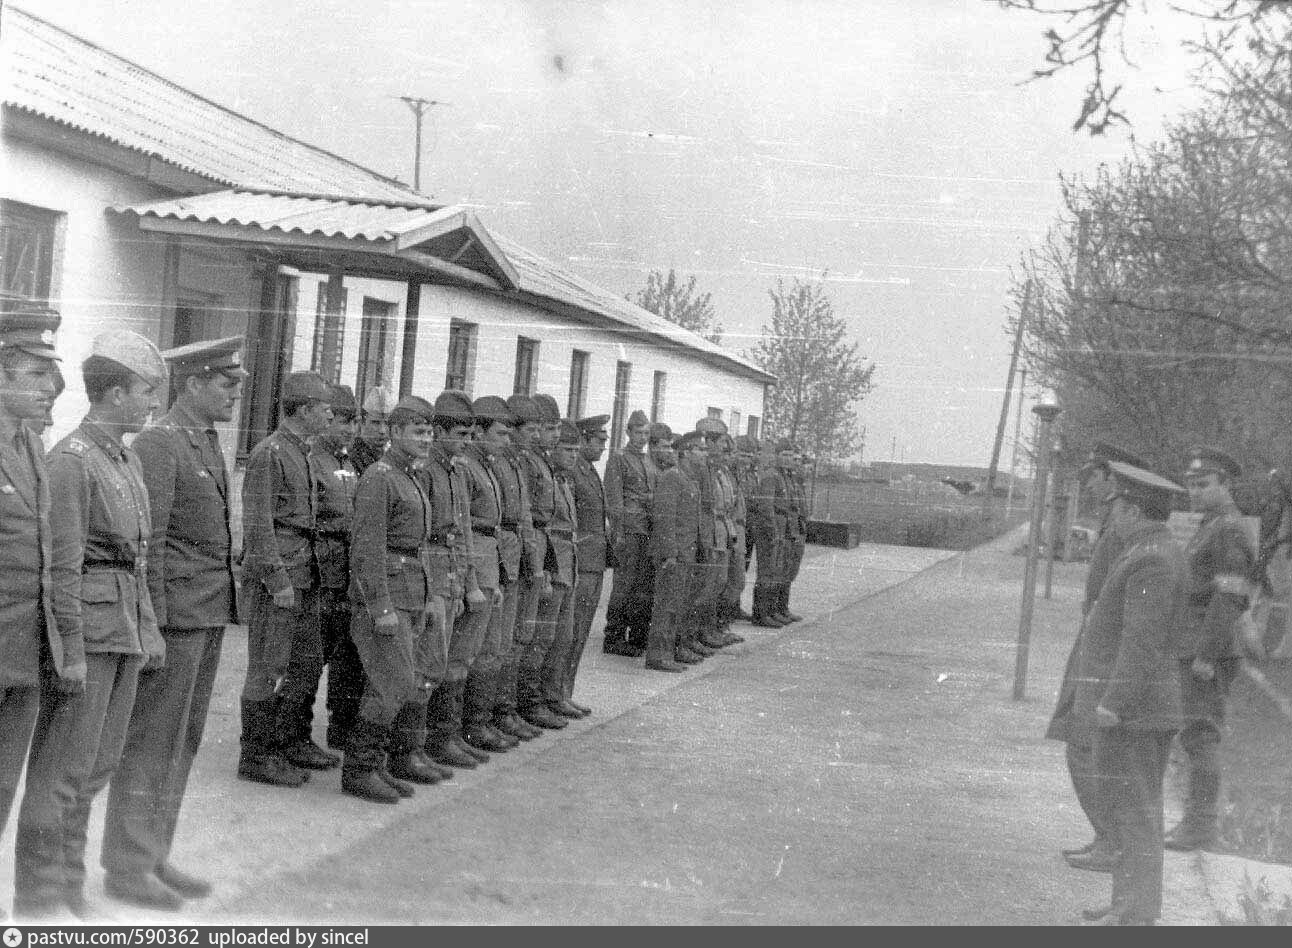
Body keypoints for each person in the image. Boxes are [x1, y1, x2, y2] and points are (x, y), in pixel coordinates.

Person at [14, 331, 166, 920]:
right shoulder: (73, 462)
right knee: (62, 772)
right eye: (145, 391)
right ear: (113, 392)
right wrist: (70, 651)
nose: (151, 403)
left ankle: (68, 886)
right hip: (90, 636)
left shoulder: (122, 458)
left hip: (122, 629)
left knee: (97, 766)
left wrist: (147, 629)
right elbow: (64, 567)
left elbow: (139, 558)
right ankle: (41, 899)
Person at [102, 335, 244, 909]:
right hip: (175, 619)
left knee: (181, 742)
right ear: (193, 384)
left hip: (204, 613)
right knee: (152, 742)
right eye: (225, 383)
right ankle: (128, 864)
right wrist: (152, 626)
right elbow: (149, 544)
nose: (235, 392)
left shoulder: (204, 440)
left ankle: (154, 852)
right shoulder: (162, 444)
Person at [1076, 461, 1188, 926]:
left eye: (1118, 507)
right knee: (1128, 811)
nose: (1113, 517)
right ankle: (1126, 904)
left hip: (1136, 711)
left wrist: (1113, 702)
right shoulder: (1148, 550)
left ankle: (1135, 913)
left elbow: (1141, 641)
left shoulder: (1152, 559)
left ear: (1136, 509)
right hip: (1138, 709)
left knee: (1136, 814)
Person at [0, 304, 84, 917]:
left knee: (4, 787)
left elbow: (50, 556)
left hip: (24, 652)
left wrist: (62, 645)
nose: (48, 389)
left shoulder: (29, 445)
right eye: (34, 375)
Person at [1049, 442, 1152, 872]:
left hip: (1102, 656)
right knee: (1081, 745)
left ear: (1115, 481)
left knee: (1087, 747)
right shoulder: (1115, 528)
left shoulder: (1123, 533)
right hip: (1093, 647)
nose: (1090, 485)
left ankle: (1111, 841)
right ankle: (1106, 838)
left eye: (1096, 477)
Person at [343, 395, 445, 804]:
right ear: (396, 432)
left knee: (400, 680)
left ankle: (379, 765)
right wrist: (380, 607)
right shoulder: (380, 477)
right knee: (392, 681)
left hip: (410, 591)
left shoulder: (410, 475)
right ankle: (359, 769)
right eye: (418, 431)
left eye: (429, 432)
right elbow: (367, 547)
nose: (426, 438)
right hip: (386, 597)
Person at [239, 370, 335, 787]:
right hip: (281, 580)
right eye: (325, 408)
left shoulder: (303, 452)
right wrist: (278, 582)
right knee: (268, 666)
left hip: (306, 574)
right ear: (306, 410)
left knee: (304, 662)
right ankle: (256, 756)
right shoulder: (270, 453)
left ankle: (287, 741)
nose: (330, 415)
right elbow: (258, 525)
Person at [1165, 445, 1256, 852]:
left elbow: (1230, 596)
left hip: (1209, 650)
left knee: (1201, 737)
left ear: (1226, 484)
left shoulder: (1229, 528)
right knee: (1194, 736)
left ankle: (1201, 825)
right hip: (1196, 644)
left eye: (1203, 485)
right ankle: (1195, 820)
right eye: (1191, 485)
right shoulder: (1211, 525)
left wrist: (1205, 654)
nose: (1194, 492)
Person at [422, 391, 491, 770]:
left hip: (453, 570)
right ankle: (420, 745)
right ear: (438, 432)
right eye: (460, 434)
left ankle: (444, 736)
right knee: (428, 661)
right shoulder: (425, 469)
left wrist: (470, 583)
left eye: (469, 435)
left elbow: (463, 530)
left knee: (452, 658)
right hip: (431, 569)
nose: (466, 442)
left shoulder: (456, 469)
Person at [463, 396, 534, 748]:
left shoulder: (489, 464)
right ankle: (470, 726)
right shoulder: (467, 466)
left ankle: (482, 720)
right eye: (501, 433)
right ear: (479, 432)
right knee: (475, 649)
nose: (507, 440)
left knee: (495, 646)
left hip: (496, 558)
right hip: (478, 559)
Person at [311, 384, 363, 752]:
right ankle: (293, 733)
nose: (348, 429)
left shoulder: (348, 464)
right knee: (312, 656)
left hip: (347, 572)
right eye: (342, 421)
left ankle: (340, 727)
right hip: (322, 571)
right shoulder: (312, 460)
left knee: (348, 656)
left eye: (353, 422)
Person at [509, 394, 566, 731]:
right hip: (525, 545)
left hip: (539, 542)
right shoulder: (528, 463)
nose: (549, 435)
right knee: (521, 633)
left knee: (531, 632)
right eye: (543, 428)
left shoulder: (536, 460)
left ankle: (521, 705)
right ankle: (514, 707)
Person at [532, 410, 584, 722]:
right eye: (567, 450)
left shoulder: (563, 480)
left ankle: (554, 695)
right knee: (544, 637)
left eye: (577, 451)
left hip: (568, 560)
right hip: (553, 560)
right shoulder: (547, 477)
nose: (573, 456)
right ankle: (536, 701)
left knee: (562, 637)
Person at [561, 414, 611, 713]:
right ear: (583, 440)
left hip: (593, 561)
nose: (604, 447)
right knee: (571, 633)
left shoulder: (589, 471)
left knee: (579, 634)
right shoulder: (575, 473)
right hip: (582, 562)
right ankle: (559, 693)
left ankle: (566, 691)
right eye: (600, 441)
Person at [644, 426, 699, 672]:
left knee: (678, 604)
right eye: (701, 449)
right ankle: (658, 655)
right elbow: (664, 518)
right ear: (686, 453)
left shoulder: (687, 480)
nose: (705, 454)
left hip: (686, 553)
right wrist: (669, 553)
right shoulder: (672, 478)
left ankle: (670, 650)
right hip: (673, 555)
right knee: (666, 605)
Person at [602, 408, 653, 656]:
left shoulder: (647, 461)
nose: (642, 437)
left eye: (646, 433)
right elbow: (613, 499)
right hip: (628, 531)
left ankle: (634, 636)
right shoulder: (618, 459)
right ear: (628, 432)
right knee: (623, 585)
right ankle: (613, 636)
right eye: (638, 432)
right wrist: (618, 534)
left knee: (640, 587)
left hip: (645, 531)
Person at [351, 385, 394, 475]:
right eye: (375, 423)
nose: (382, 430)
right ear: (362, 423)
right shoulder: (352, 457)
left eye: (386, 423)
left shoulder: (391, 458)